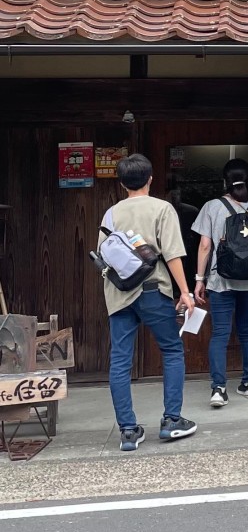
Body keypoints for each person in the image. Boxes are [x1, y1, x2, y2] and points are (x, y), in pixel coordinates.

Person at [99, 153, 198, 452]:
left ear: (121, 183)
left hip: (118, 294)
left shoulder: (110, 213)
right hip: (153, 290)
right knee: (171, 350)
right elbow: (172, 254)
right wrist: (185, 292)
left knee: (120, 360)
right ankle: (171, 421)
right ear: (151, 179)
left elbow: (104, 256)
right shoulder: (162, 208)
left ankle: (128, 431)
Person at [192, 159, 248, 407]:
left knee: (220, 334)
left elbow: (205, 245)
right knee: (247, 330)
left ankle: (218, 389)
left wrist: (199, 280)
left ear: (225, 181)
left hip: (221, 281)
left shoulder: (212, 206)